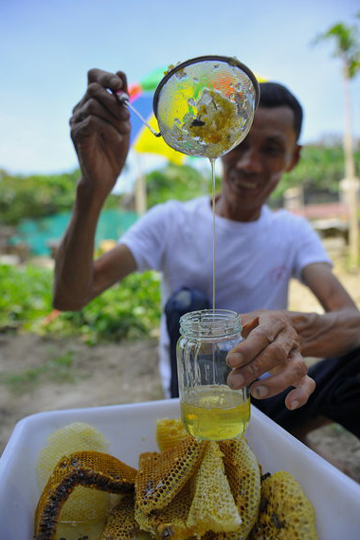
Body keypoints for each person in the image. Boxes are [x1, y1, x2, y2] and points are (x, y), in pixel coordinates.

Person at [53, 68, 360, 447]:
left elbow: (353, 324)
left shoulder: (292, 232)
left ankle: (287, 434)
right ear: (219, 139)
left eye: (271, 149)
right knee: (188, 305)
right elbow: (71, 296)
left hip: (264, 397)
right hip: (194, 402)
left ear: (293, 159)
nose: (249, 164)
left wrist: (290, 327)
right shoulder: (170, 221)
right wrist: (92, 187)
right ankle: (229, 438)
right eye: (240, 142)